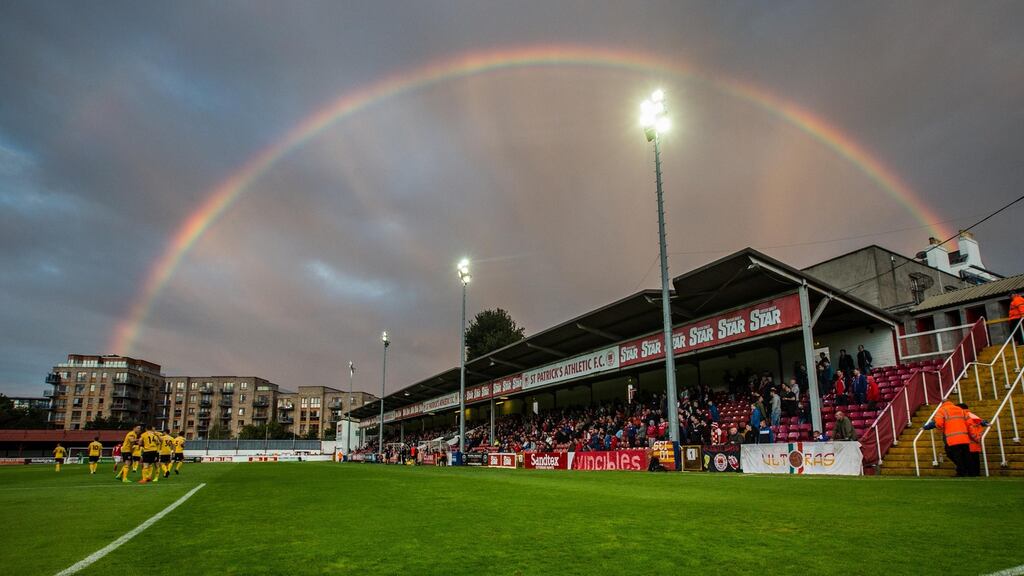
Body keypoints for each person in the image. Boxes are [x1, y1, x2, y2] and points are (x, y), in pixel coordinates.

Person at [923, 400, 971, 477]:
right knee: (965, 455)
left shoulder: (942, 410)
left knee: (953, 454)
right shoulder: (960, 409)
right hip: (964, 437)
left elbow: (939, 423)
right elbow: (969, 422)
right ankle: (968, 472)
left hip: (952, 438)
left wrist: (940, 428)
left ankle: (962, 471)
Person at [964, 405, 988, 477]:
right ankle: (976, 473)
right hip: (975, 443)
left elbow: (971, 429)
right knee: (975, 459)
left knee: (970, 460)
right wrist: (977, 438)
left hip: (968, 443)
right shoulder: (973, 416)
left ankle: (972, 473)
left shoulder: (964, 416)